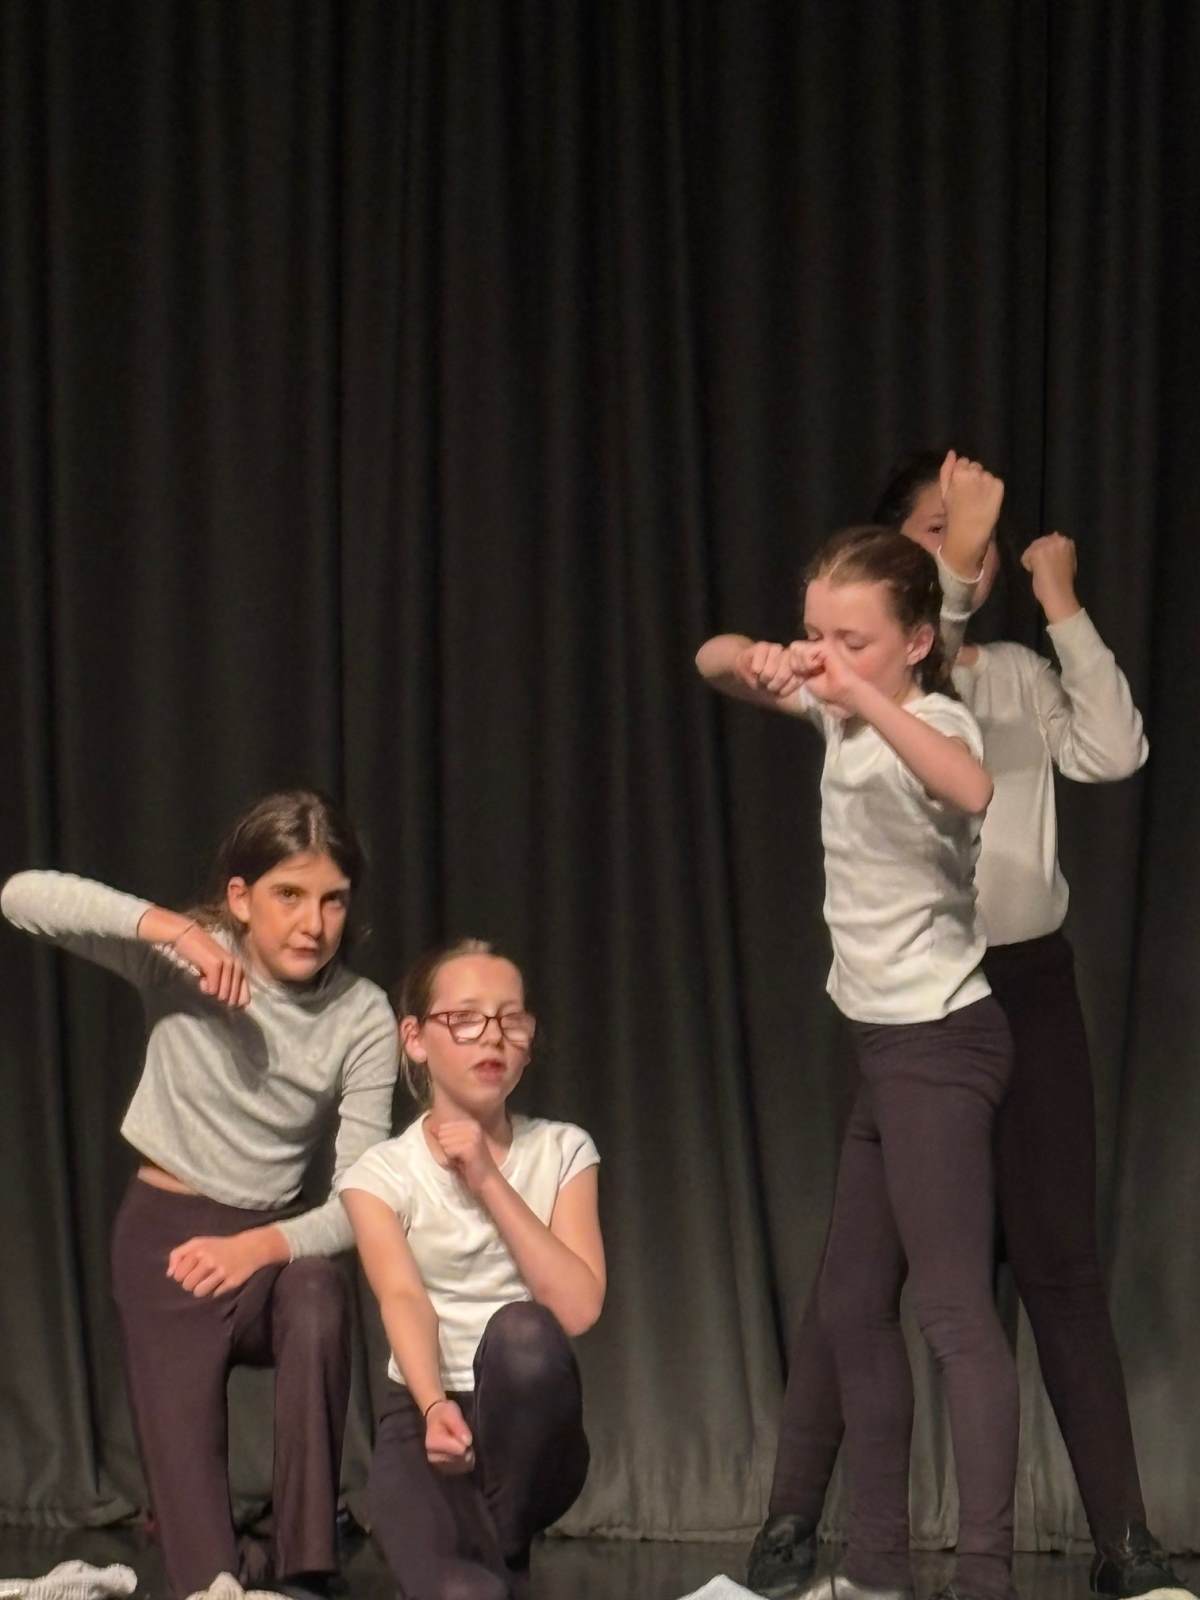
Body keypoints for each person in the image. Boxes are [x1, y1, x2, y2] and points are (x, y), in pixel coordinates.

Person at [750, 455, 1181, 1600]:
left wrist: (1060, 598)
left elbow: (1115, 750)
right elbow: (913, 659)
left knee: (1057, 1264)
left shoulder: (1015, 676)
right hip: (919, 1002)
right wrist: (946, 566)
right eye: (941, 531)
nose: (967, 546)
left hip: (1022, 986)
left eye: (973, 532)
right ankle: (793, 1523)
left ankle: (1125, 1542)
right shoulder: (879, 683)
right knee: (859, 1274)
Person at [697, 527, 1017, 1600]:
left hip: (942, 1044)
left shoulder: (928, 716)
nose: (829, 655)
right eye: (817, 632)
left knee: (955, 1315)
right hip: (883, 1053)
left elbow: (971, 787)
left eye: (856, 638)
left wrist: (860, 697)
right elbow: (708, 658)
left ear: (918, 641)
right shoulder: (836, 701)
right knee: (849, 1305)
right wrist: (759, 658)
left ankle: (984, 1577)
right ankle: (877, 1571)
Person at [1, 790, 399, 1600]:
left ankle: (302, 1568)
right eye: (289, 895)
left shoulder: (361, 1014)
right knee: (205, 1580)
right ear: (240, 898)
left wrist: (258, 1246)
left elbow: (359, 1198)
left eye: (332, 900)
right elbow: (20, 897)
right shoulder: (184, 958)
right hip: (168, 1248)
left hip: (268, 1251)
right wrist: (171, 930)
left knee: (318, 1293)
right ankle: (223, 1560)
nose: (313, 924)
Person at [339, 939, 605, 1600]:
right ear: (416, 1039)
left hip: (529, 1432)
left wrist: (487, 1178)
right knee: (466, 1593)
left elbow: (577, 1309)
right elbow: (402, 1297)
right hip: (426, 1419)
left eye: (511, 1020)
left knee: (523, 1331)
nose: (492, 1036)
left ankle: (503, 1543)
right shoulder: (381, 1173)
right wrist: (433, 1406)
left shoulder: (563, 1149)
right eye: (465, 1019)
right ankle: (488, 1569)